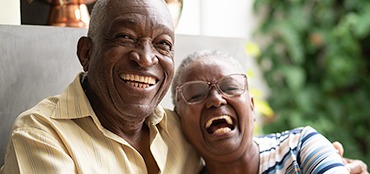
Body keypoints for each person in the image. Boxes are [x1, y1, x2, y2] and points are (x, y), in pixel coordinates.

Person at [0, 0, 202, 173]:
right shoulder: (41, 135)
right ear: (86, 53)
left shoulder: (181, 130)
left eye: (163, 44)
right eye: (126, 37)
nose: (146, 59)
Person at [171, 50, 369, 174]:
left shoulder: (299, 149)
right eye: (196, 94)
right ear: (179, 120)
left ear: (252, 106)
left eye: (230, 88)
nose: (215, 99)